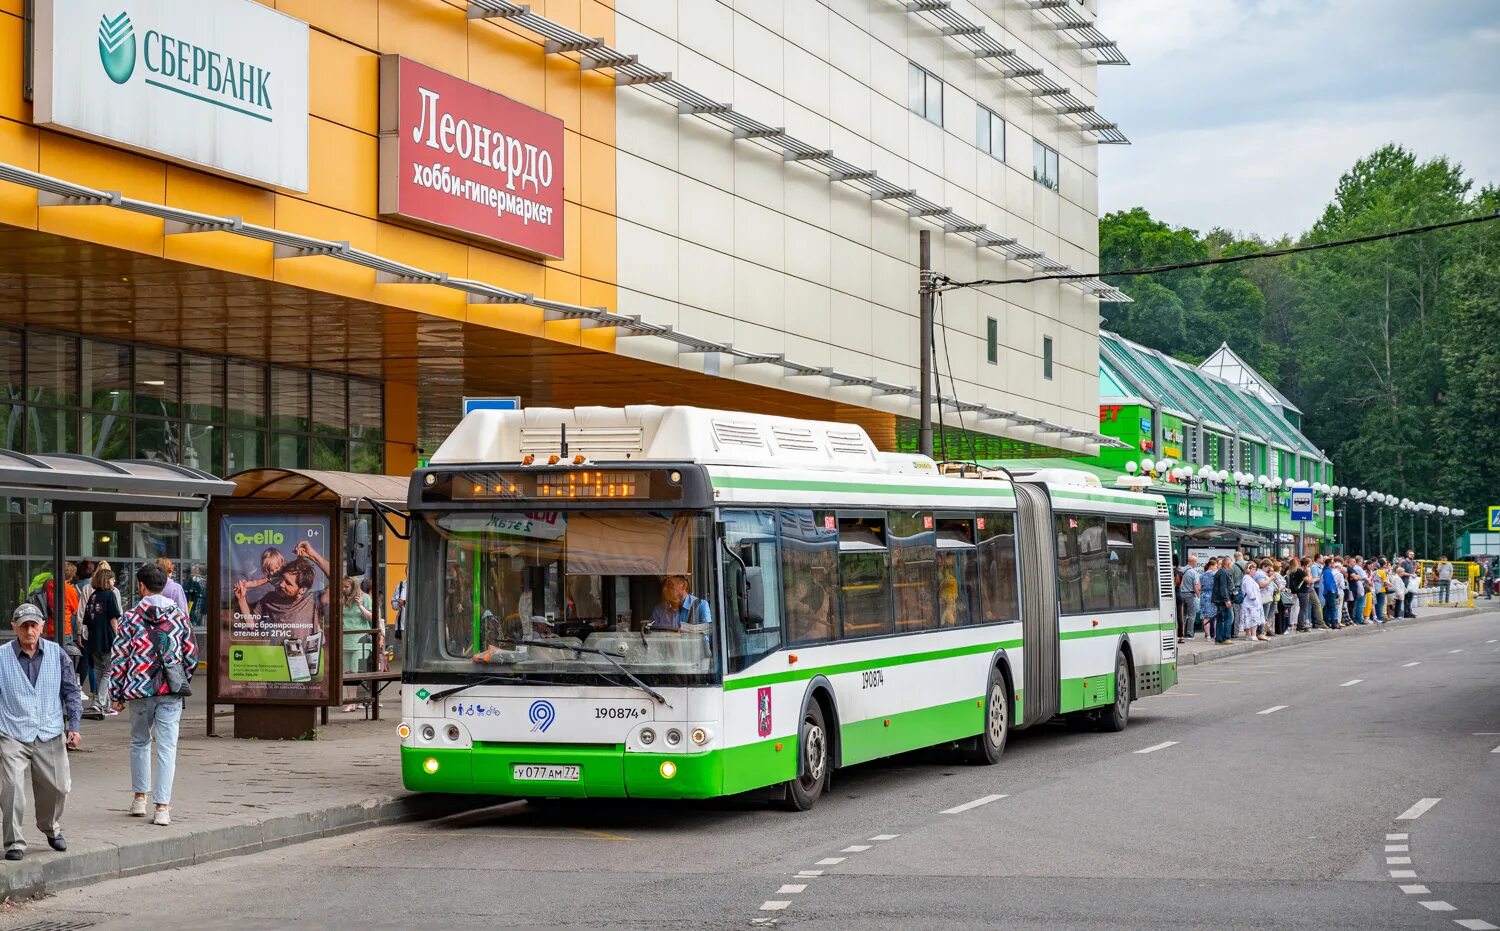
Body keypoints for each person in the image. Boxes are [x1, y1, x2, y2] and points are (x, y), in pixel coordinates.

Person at [110, 564, 196, 827]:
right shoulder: (179, 616)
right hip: (169, 691)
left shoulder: (130, 617)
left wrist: (117, 693)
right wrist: (180, 681)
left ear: (141, 586)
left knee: (139, 741)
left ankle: (139, 799)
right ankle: (162, 807)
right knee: (167, 747)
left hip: (138, 689)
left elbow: (120, 657)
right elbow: (191, 655)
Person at [0, 603, 81, 860]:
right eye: (24, 626)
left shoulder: (57, 654)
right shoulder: (2, 656)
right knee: (12, 786)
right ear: (14, 627)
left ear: (42, 626)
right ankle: (14, 842)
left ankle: (50, 827)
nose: (29, 631)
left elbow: (71, 691)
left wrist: (74, 726)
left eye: (34, 625)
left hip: (50, 730)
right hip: (12, 731)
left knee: (59, 787)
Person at [82, 568, 123, 718]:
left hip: (93, 639)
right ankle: (100, 703)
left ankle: (101, 704)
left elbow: (86, 620)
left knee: (99, 671)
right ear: (106, 580)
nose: (114, 581)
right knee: (108, 671)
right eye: (112, 579)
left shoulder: (93, 596)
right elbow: (113, 618)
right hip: (107, 637)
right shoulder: (110, 595)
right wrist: (118, 636)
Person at [341, 577, 373, 713]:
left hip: (361, 641)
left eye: (346, 587)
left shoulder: (365, 598)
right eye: (343, 587)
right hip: (345, 640)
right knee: (347, 673)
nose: (344, 589)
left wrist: (360, 606)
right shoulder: (343, 599)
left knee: (355, 671)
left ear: (354, 587)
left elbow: (373, 617)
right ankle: (351, 702)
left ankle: (360, 700)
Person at [1211, 557, 1236, 644]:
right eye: (1231, 564)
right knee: (1229, 617)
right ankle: (1225, 637)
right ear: (1228, 564)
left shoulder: (1222, 571)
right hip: (1222, 600)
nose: (1232, 566)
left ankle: (1219, 639)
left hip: (1219, 599)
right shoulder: (1223, 572)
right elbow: (1223, 587)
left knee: (1221, 618)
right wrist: (1226, 600)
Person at [1176, 555, 1201, 643]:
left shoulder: (1181, 570)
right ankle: (1189, 633)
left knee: (1182, 615)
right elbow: (1195, 586)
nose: (1196, 563)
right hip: (1190, 595)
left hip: (1180, 594)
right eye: (1196, 562)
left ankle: (1180, 633)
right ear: (1193, 562)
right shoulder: (1193, 572)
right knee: (1191, 615)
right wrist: (1199, 596)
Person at [1239, 562, 1265, 641]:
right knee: (1253, 619)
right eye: (1253, 569)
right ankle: (1252, 634)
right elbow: (1249, 591)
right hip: (1251, 603)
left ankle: (1249, 634)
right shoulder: (1247, 579)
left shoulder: (1249, 578)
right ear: (1248, 570)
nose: (1255, 571)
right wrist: (1253, 598)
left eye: (1255, 569)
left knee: (1249, 619)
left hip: (1250, 603)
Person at [1197, 558, 1219, 639]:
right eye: (1215, 566)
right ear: (1211, 566)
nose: (1216, 568)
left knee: (1206, 617)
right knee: (1215, 617)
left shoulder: (1201, 575)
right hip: (1213, 596)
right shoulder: (1215, 575)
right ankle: (1216, 635)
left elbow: (1199, 588)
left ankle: (1208, 635)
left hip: (1204, 597)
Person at [1288, 557, 1310, 631]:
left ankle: (1292, 623)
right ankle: (1298, 624)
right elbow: (1308, 580)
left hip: (1293, 591)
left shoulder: (1289, 572)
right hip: (1301, 591)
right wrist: (1308, 573)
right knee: (1301, 608)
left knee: (1294, 608)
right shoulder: (1299, 571)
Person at [1398, 550, 1418, 618]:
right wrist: (1411, 574)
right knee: (1407, 598)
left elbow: (1412, 571)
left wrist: (1414, 574)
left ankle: (1410, 612)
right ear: (1407, 555)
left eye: (1413, 554)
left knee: (1410, 598)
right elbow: (1402, 572)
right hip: (1406, 582)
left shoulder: (1412, 562)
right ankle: (1406, 613)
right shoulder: (1404, 563)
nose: (1412, 555)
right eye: (1411, 554)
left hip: (1411, 582)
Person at [390, 576, 408, 641]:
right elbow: (394, 604)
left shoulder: (422, 585)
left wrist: (405, 603)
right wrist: (398, 603)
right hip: (403, 626)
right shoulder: (401, 585)